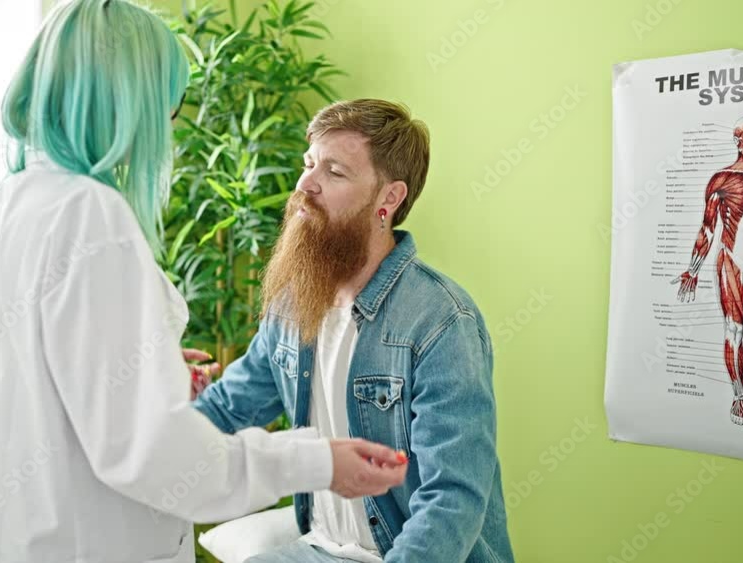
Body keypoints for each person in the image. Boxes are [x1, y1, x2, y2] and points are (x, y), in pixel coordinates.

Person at [0, 2, 407, 563]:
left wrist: (153, 371)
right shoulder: (92, 216)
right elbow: (155, 456)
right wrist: (319, 462)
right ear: (129, 105)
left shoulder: (8, 204)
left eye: (333, 170)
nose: (306, 184)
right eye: (166, 112)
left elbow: (37, 390)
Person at [192, 99, 515, 563]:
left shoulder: (442, 322)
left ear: (389, 198)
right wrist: (154, 435)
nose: (306, 185)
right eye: (308, 164)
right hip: (320, 549)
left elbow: (452, 501)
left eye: (334, 172)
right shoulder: (292, 304)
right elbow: (226, 409)